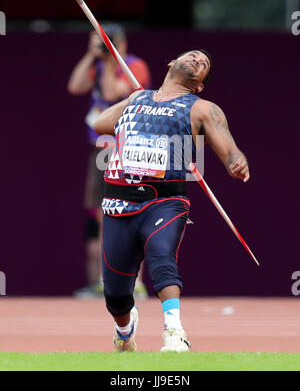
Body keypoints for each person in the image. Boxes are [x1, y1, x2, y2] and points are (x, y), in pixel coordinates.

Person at [93, 49, 250, 351]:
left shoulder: (202, 108)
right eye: (192, 56)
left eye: (204, 63)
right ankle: (125, 331)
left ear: (200, 84)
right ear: (170, 63)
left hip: (164, 200)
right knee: (115, 295)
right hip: (119, 201)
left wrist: (236, 162)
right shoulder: (137, 99)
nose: (197, 60)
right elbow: (101, 123)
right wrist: (134, 106)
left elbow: (230, 150)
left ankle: (174, 333)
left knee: (161, 253)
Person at [68, 23, 151, 299]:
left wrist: (109, 60)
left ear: (120, 43)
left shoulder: (134, 66)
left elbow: (111, 94)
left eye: (104, 42)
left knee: (131, 212)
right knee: (104, 215)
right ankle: (107, 279)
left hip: (127, 147)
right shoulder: (98, 64)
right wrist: (93, 56)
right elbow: (75, 85)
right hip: (100, 148)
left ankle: (135, 281)